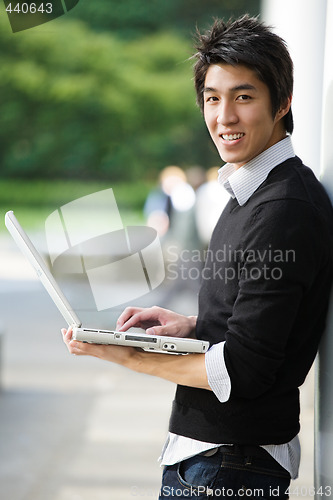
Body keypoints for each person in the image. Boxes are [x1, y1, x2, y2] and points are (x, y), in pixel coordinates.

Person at [62, 15, 333, 500]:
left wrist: (125, 353)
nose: (224, 116)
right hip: (218, 460)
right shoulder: (250, 192)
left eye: (243, 96)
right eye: (212, 98)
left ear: (283, 103)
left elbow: (245, 369)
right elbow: (261, 321)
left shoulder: (283, 208)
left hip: (229, 466)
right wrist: (194, 324)